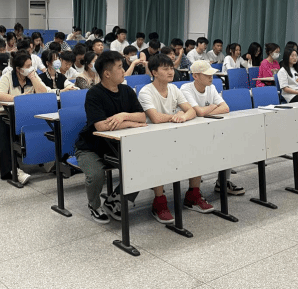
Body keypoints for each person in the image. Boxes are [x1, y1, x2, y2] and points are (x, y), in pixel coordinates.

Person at [139, 54, 214, 223]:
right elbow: (155, 118)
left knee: (197, 148)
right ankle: (159, 202)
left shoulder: (173, 88)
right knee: (159, 157)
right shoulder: (146, 91)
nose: (170, 72)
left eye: (171, 68)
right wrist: (176, 116)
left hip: (174, 134)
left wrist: (183, 116)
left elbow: (191, 110)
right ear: (154, 72)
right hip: (153, 139)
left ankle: (193, 195)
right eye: (165, 69)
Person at [74, 51, 147, 223]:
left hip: (118, 145)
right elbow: (101, 126)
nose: (124, 71)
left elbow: (142, 117)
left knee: (144, 165)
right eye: (120, 67)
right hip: (91, 147)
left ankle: (115, 200)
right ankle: (94, 205)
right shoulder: (94, 94)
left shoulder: (127, 90)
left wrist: (123, 116)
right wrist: (130, 123)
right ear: (107, 73)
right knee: (96, 175)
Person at [180, 61, 244, 196]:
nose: (211, 77)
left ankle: (223, 182)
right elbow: (198, 112)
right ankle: (194, 191)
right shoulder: (186, 89)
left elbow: (225, 108)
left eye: (211, 74)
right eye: (207, 75)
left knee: (227, 143)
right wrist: (213, 106)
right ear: (195, 76)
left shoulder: (211, 87)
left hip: (209, 128)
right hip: (190, 132)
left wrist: (205, 110)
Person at [0, 52, 48, 182]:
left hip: (22, 115)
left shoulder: (33, 76)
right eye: (27, 66)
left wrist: (34, 79)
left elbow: (44, 93)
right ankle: (12, 171)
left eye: (31, 65)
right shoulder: (7, 77)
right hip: (0, 114)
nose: (31, 68)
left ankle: (48, 161)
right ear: (18, 69)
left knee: (42, 127)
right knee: (6, 134)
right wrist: (19, 98)